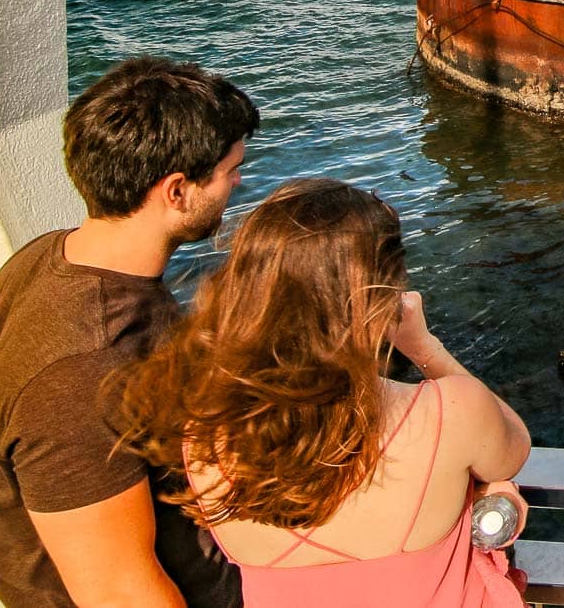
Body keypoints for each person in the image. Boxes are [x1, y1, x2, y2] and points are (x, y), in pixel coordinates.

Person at [118, 178, 532, 607]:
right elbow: (514, 446)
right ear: (379, 296)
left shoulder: (203, 435)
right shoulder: (451, 411)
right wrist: (425, 348)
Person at [0, 56, 260, 608]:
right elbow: (117, 592)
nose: (238, 182)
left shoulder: (38, 260)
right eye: (229, 170)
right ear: (176, 191)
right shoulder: (85, 371)